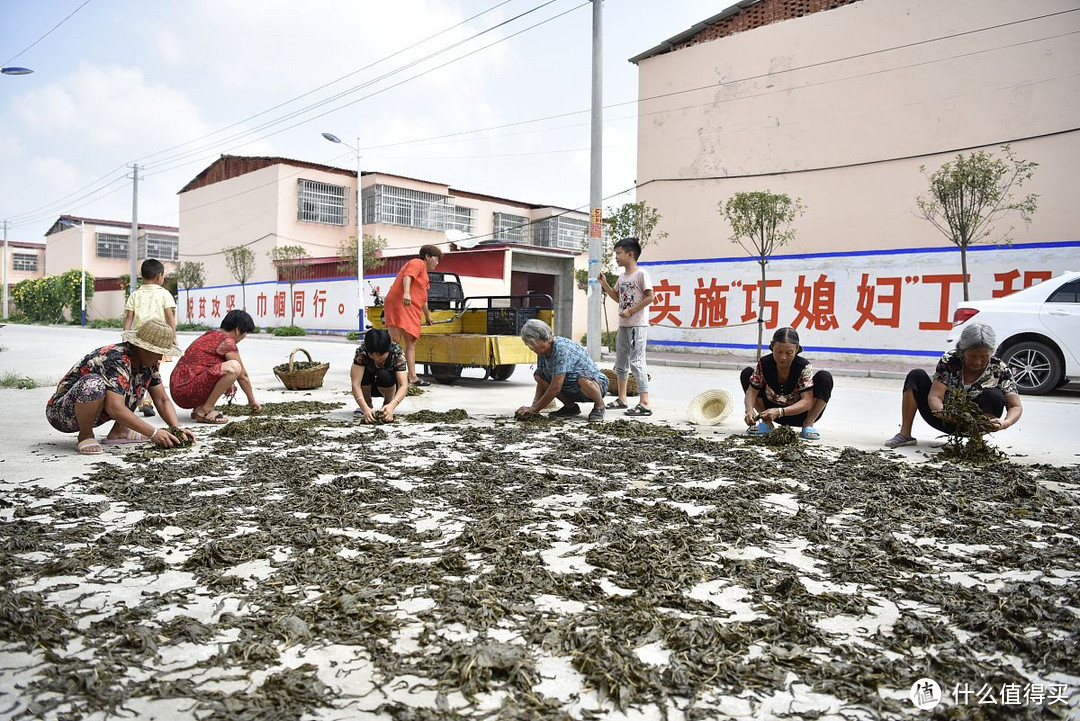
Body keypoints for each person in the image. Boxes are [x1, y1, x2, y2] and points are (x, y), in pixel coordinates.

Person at [46, 320, 195, 455]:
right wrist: (153, 432)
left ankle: (120, 431)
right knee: (93, 384)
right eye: (158, 352)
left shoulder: (149, 364)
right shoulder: (115, 358)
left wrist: (177, 429)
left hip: (94, 410)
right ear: (143, 348)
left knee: (136, 381)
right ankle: (85, 435)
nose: (160, 357)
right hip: (63, 413)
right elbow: (114, 408)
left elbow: (162, 399)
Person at [884, 322, 1022, 448]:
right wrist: (945, 413)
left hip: (975, 425)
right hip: (942, 417)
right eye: (972, 356)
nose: (978, 362)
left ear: (991, 353)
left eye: (983, 357)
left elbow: (1015, 406)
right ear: (962, 351)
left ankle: (975, 441)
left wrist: (1005, 423)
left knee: (994, 395)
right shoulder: (950, 360)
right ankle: (905, 434)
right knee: (916, 376)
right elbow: (935, 397)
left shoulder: (999, 368)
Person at [740, 327, 833, 440]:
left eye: (789, 353)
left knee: (825, 377)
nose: (783, 357)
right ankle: (767, 423)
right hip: (769, 413)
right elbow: (752, 390)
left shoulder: (803, 366)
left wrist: (780, 412)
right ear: (772, 347)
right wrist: (749, 410)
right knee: (747, 374)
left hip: (799, 414)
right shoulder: (764, 363)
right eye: (778, 352)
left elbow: (807, 401)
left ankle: (808, 424)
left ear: (796, 349)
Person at [170, 310, 261, 423]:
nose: (243, 337)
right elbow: (242, 375)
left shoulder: (210, 334)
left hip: (179, 389)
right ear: (238, 330)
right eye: (245, 333)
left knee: (217, 369)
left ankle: (199, 408)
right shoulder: (227, 341)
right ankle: (205, 411)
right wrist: (252, 400)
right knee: (233, 367)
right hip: (186, 391)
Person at [598, 236, 654, 416]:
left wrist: (631, 311)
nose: (616, 257)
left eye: (619, 253)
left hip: (637, 325)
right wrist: (604, 283)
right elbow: (617, 297)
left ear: (630, 255)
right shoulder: (622, 277)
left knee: (637, 361)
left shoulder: (641, 274)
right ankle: (622, 398)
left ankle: (645, 402)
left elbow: (650, 297)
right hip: (624, 325)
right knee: (621, 362)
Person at [517, 319, 609, 422]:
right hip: (570, 387)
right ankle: (570, 407)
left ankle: (599, 406)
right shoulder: (543, 351)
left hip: (593, 385)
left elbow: (556, 387)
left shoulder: (561, 348)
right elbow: (542, 381)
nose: (531, 348)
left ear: (543, 338)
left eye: (532, 344)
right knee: (539, 375)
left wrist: (534, 409)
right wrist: (534, 406)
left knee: (583, 378)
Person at [383, 244, 443, 387]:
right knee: (395, 340)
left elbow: (423, 298)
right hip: (399, 303)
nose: (437, 263)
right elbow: (407, 276)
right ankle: (388, 373)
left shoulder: (426, 276)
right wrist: (406, 293)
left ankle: (413, 377)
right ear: (427, 256)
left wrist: (427, 317)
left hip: (410, 307)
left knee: (411, 341)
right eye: (436, 259)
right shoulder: (417, 263)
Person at [123, 258, 177, 417]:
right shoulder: (164, 294)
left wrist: (126, 337)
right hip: (157, 341)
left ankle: (140, 400)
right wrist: (173, 337)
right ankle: (146, 400)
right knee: (154, 371)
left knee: (137, 371)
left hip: (139, 340)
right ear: (160, 276)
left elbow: (128, 318)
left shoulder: (135, 294)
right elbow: (170, 316)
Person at [350, 328, 409, 423]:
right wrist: (364, 407)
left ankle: (386, 405)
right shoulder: (362, 353)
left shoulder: (396, 353)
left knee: (384, 374)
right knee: (363, 374)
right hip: (368, 386)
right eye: (372, 355)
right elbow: (355, 384)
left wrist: (392, 405)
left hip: (389, 385)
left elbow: (403, 385)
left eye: (380, 355)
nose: (376, 358)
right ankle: (368, 405)